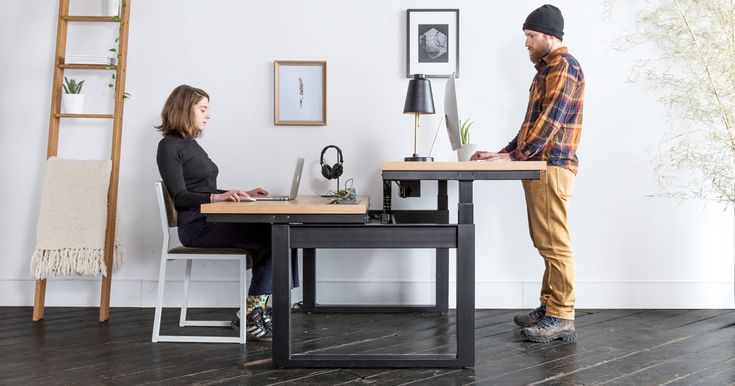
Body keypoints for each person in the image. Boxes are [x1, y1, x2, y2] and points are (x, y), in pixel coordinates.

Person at [471, 4, 585, 343]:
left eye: (531, 36)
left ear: (551, 36)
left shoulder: (563, 67)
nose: (526, 43)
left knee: (554, 243)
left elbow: (549, 125)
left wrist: (515, 157)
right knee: (545, 241)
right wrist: (505, 153)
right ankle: (550, 307)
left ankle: (562, 315)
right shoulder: (546, 70)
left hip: (551, 166)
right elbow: (531, 126)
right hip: (539, 164)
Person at [156, 84, 291, 342]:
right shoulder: (168, 146)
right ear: (185, 109)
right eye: (203, 109)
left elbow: (204, 188)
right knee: (274, 237)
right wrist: (217, 197)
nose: (207, 115)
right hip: (195, 226)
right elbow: (181, 196)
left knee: (278, 233)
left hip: (210, 218)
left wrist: (238, 192)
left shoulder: (191, 144)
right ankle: (252, 313)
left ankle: (258, 309)